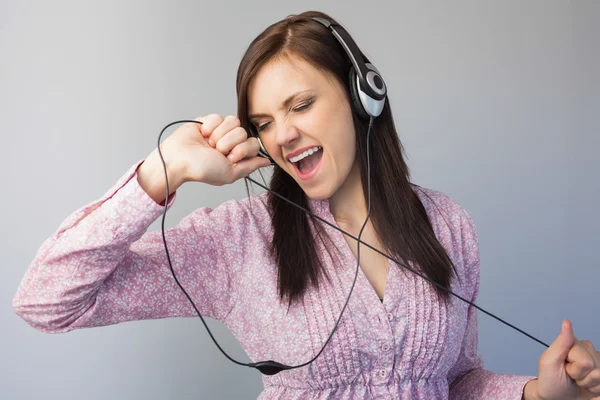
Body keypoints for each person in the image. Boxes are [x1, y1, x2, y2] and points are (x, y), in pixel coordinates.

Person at [12, 10, 599, 400]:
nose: (283, 135)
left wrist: (538, 393)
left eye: (301, 104)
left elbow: (453, 381)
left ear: (362, 96)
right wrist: (163, 172)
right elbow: (45, 301)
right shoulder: (235, 240)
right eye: (264, 122)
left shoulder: (446, 224)